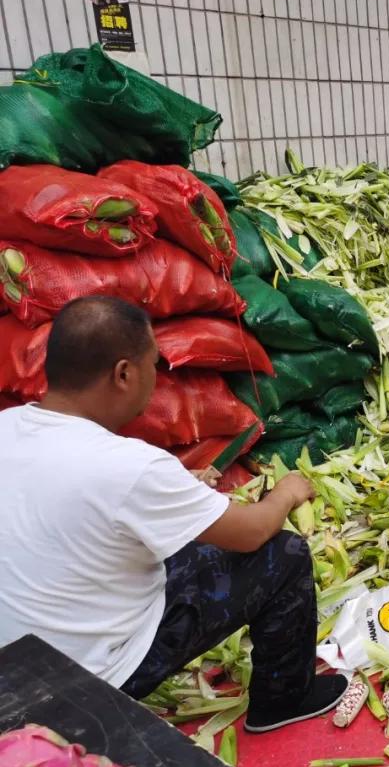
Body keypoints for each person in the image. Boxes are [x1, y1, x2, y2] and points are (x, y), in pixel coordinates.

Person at [0, 296, 348, 733]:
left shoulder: (7, 427)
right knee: (283, 555)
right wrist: (286, 492)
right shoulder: (130, 466)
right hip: (94, 683)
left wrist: (178, 488)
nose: (157, 378)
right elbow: (253, 532)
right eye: (154, 365)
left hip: (16, 680)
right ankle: (284, 700)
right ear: (123, 374)